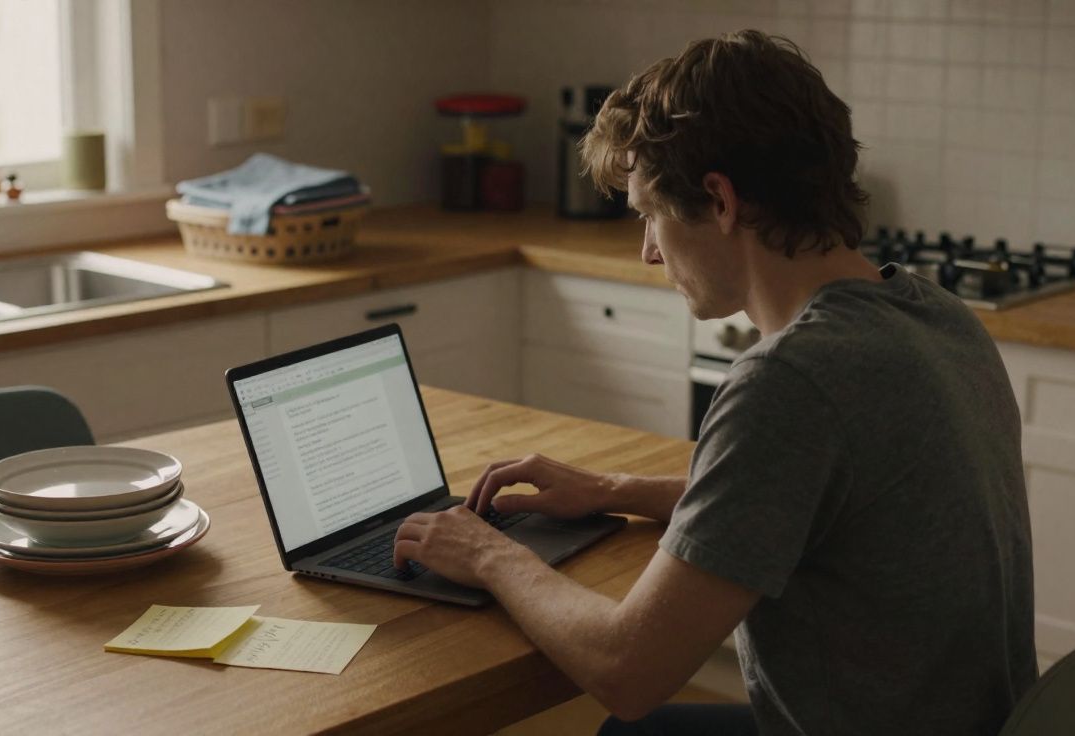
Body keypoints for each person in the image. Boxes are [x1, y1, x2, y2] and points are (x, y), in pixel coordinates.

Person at [393, 30, 1037, 736]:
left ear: (721, 201)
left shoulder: (790, 380)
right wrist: (614, 491)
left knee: (625, 725)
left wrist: (488, 554)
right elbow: (812, 505)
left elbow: (625, 670)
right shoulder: (935, 313)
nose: (645, 251)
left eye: (648, 214)